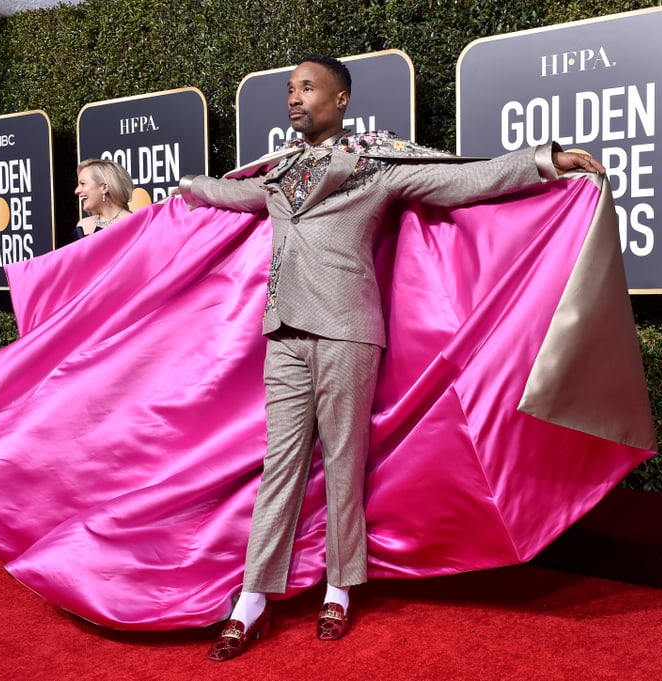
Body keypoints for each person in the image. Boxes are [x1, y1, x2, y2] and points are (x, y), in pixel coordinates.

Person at [176, 54, 605, 662]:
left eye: (307, 88)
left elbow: (462, 179)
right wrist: (190, 187)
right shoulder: (278, 174)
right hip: (282, 335)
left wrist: (543, 161)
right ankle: (253, 596)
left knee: (346, 462)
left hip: (349, 332)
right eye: (290, 90)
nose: (294, 99)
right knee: (281, 466)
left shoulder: (376, 165)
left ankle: (340, 585)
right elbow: (236, 195)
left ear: (342, 99)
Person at [72, 159, 133, 240]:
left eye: (83, 184)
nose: (77, 191)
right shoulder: (83, 226)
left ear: (104, 188)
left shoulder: (134, 223)